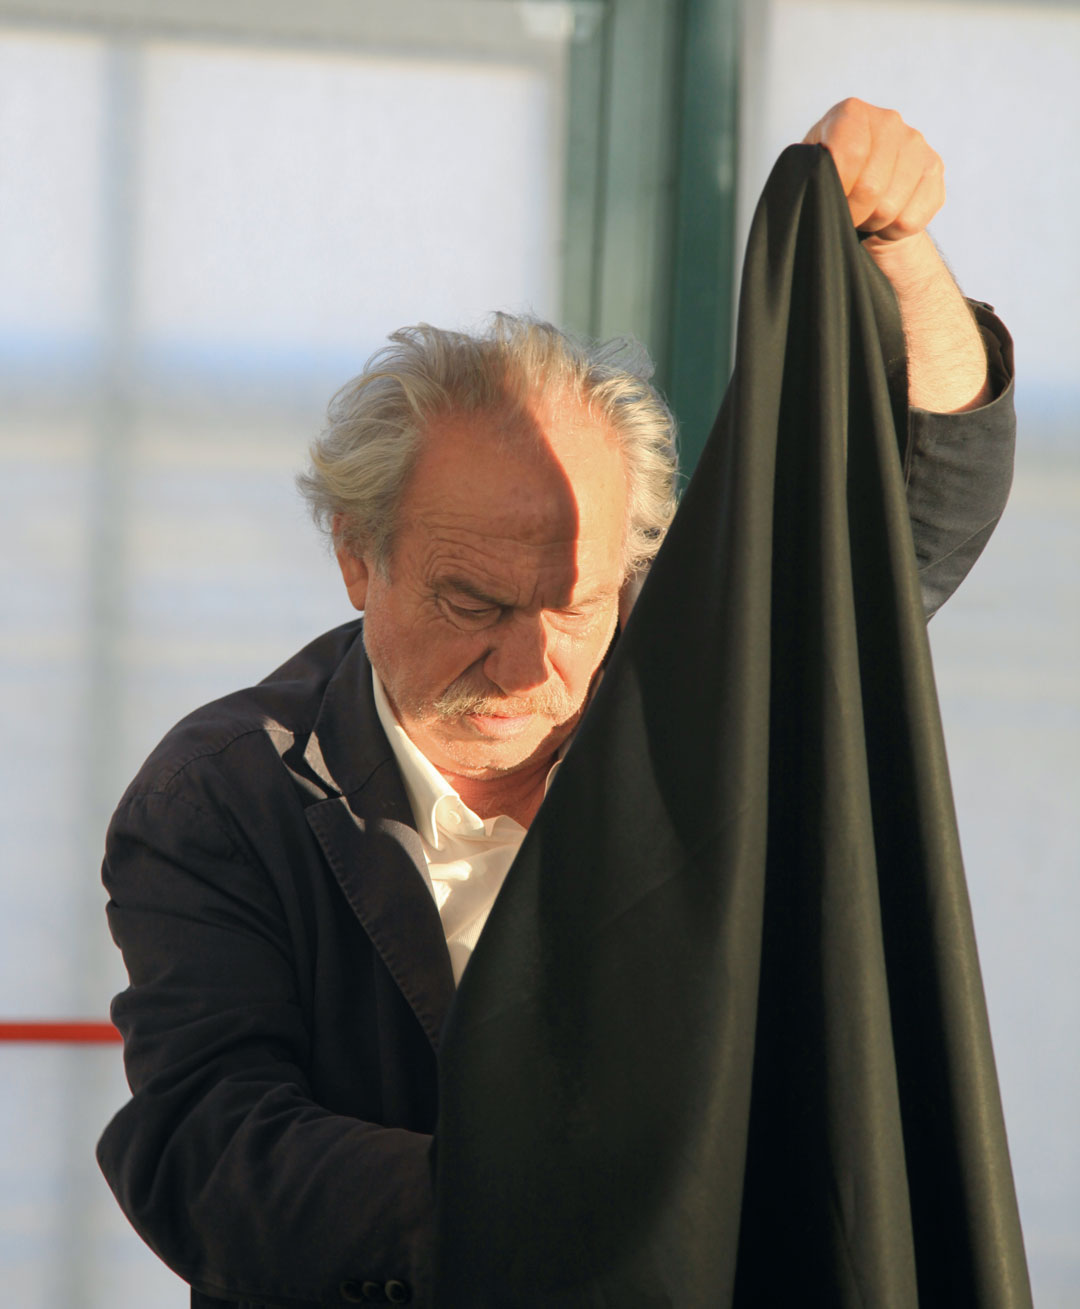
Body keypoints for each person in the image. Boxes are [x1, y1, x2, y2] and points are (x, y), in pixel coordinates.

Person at [98, 100, 1015, 1309]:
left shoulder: (696, 708)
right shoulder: (222, 791)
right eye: (475, 602)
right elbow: (209, 1145)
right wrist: (560, 1210)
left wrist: (897, 244)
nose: (531, 665)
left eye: (575, 605)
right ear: (356, 558)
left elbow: (926, 487)